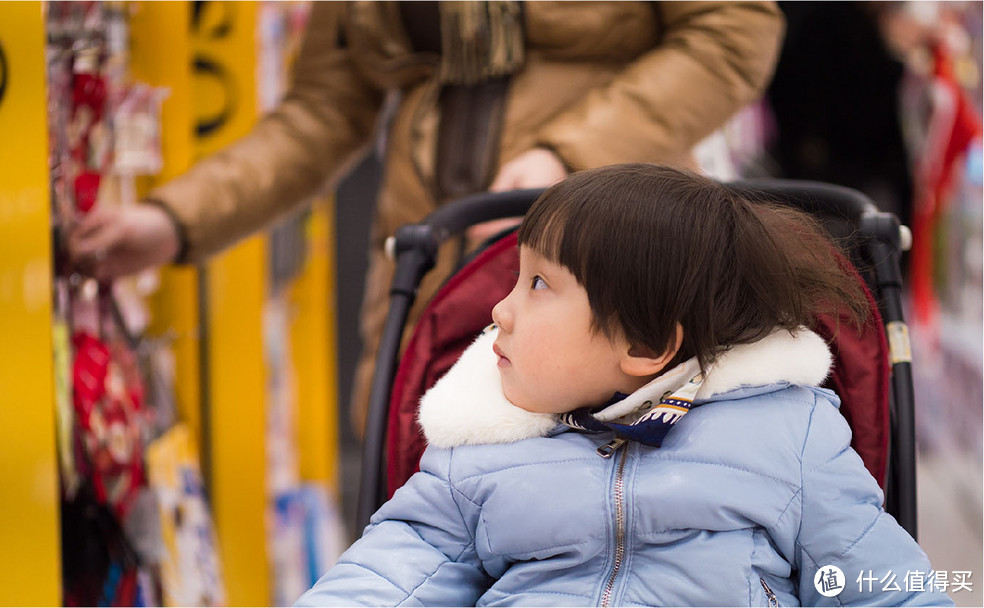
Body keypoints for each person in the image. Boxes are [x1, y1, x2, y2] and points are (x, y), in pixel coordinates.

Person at [68, 2, 786, 434]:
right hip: (429, 264)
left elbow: (732, 35)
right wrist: (176, 220)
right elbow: (326, 106)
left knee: (608, 501)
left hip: (601, 257)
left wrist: (567, 153)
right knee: (419, 487)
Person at [294, 164, 952, 607]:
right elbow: (397, 569)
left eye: (539, 285)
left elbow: (884, 585)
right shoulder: (478, 448)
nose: (500, 311)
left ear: (643, 346)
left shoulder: (785, 436)